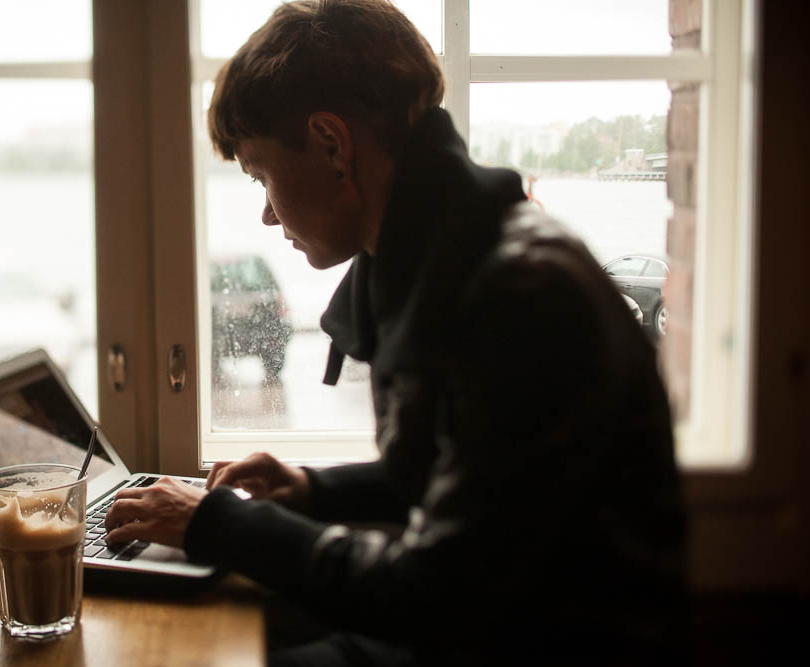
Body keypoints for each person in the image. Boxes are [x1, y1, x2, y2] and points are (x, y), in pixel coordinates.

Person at [105, 1, 687, 664]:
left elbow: (441, 592)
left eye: (262, 174)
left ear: (332, 144)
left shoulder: (519, 297)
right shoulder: (455, 250)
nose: (266, 213)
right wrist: (315, 489)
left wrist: (219, 522)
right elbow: (472, 474)